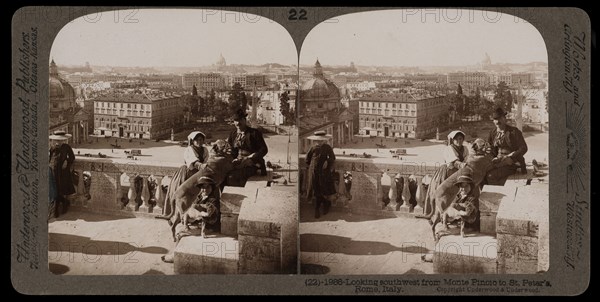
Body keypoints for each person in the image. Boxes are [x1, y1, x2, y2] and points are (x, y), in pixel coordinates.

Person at [161, 176, 221, 263]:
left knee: (180, 233)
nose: (205, 190)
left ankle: (174, 256)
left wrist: (200, 215)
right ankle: (176, 252)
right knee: (179, 226)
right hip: (198, 222)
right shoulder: (200, 197)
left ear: (212, 187)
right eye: (203, 187)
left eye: (207, 187)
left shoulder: (212, 200)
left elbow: (212, 217)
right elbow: (192, 209)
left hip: (208, 227)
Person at [159, 131, 210, 218]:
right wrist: (201, 165)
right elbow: (193, 161)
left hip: (199, 174)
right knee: (183, 194)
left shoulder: (205, 150)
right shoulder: (189, 149)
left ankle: (194, 216)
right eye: (196, 140)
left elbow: (206, 160)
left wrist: (205, 166)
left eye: (201, 140)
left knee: (198, 195)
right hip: (187, 173)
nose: (199, 142)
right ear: (192, 141)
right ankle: (178, 215)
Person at [419, 130, 469, 219]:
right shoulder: (449, 149)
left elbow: (466, 159)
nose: (459, 141)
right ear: (453, 140)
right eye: (456, 139)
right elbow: (453, 161)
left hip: (459, 173)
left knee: (457, 194)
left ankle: (453, 217)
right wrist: (461, 164)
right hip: (447, 172)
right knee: (443, 193)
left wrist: (464, 164)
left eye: (461, 139)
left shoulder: (465, 149)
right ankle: (438, 215)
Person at [485, 107, 528, 185]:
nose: (497, 122)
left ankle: (496, 194)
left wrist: (511, 156)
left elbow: (524, 148)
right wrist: (489, 153)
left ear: (505, 119)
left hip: (511, 162)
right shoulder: (493, 132)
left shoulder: (514, 132)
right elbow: (490, 148)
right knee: (481, 172)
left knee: (491, 175)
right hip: (497, 161)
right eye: (495, 119)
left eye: (500, 119)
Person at [227, 109, 269, 182]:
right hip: (238, 162)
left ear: (244, 120)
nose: (238, 123)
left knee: (233, 177)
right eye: (236, 121)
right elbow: (231, 150)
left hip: (252, 162)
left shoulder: (254, 133)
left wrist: (251, 158)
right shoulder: (233, 134)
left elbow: (264, 149)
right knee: (223, 173)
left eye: (240, 120)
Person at [305, 131, 336, 219]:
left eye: (322, 141)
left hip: (323, 172)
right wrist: (312, 166)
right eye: (318, 141)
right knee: (315, 189)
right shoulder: (313, 148)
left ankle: (318, 208)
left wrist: (327, 161)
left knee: (322, 189)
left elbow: (332, 158)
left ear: (324, 140)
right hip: (313, 172)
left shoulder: (327, 147)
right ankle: (324, 204)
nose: (320, 142)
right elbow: (307, 159)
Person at [48, 130, 75, 218]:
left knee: (61, 188)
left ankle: (62, 204)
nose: (58, 142)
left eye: (60, 140)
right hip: (53, 171)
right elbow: (50, 158)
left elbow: (72, 157)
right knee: (54, 189)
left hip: (63, 172)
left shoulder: (66, 147)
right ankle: (59, 205)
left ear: (63, 140)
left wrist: (67, 161)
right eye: (56, 140)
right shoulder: (52, 148)